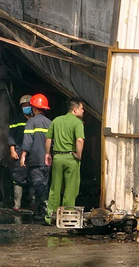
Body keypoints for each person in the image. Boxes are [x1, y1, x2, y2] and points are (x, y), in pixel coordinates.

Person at [44, 98, 85, 225]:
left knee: (55, 187)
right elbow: (79, 140)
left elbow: (48, 138)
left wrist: (47, 153)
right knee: (70, 188)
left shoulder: (56, 120)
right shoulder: (77, 123)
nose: (83, 111)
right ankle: (66, 216)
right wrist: (78, 155)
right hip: (70, 158)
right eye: (82, 108)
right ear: (75, 110)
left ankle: (51, 216)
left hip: (57, 157)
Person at [19, 93, 52, 221]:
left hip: (35, 160)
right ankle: (39, 213)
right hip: (47, 161)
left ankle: (46, 209)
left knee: (38, 186)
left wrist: (23, 156)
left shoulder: (31, 122)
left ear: (35, 108)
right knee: (44, 184)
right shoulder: (50, 123)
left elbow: (27, 141)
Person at [8, 95, 33, 211]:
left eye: (29, 105)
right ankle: (17, 204)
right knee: (18, 177)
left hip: (33, 152)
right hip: (19, 150)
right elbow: (11, 135)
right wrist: (12, 150)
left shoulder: (35, 119)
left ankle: (33, 203)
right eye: (24, 105)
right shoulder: (16, 119)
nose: (26, 107)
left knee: (34, 177)